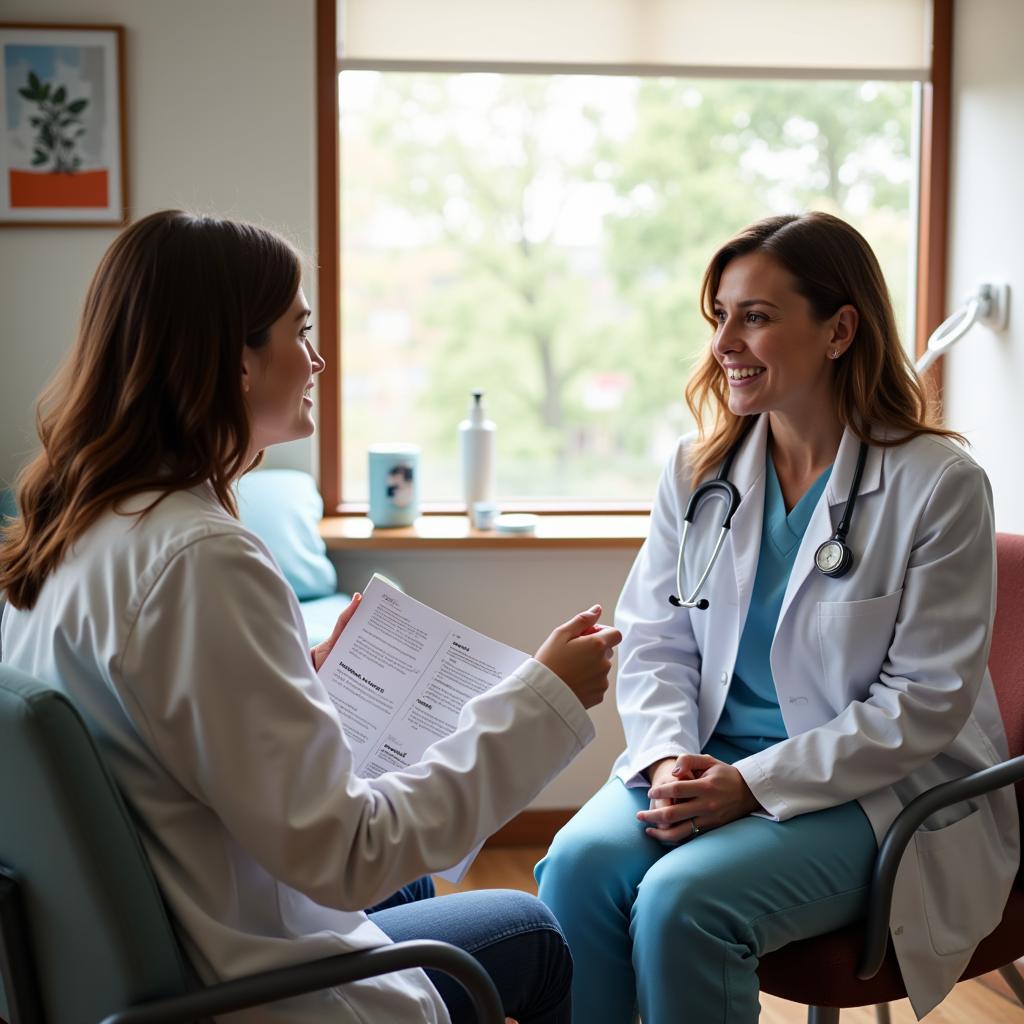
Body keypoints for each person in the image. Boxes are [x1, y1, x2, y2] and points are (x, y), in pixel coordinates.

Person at [0, 209, 622, 1024]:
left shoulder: (77, 528)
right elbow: (348, 855)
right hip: (230, 984)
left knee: (418, 882)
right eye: (300, 330)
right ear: (234, 358)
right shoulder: (203, 560)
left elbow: (171, 730)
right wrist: (541, 698)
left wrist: (299, 677)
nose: (318, 358)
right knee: (531, 930)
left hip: (153, 928)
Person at [535, 212, 1020, 1023]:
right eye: (719, 315)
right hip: (700, 760)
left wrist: (752, 786)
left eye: (755, 316)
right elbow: (656, 640)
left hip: (873, 790)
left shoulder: (938, 484)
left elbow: (924, 701)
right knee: (578, 867)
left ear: (839, 330)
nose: (725, 341)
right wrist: (666, 760)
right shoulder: (699, 471)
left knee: (683, 902)